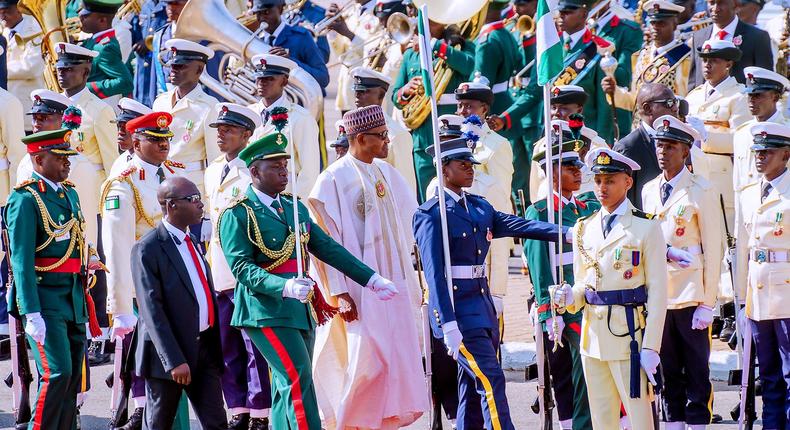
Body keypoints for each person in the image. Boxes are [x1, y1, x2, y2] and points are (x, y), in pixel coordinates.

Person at [218, 132, 399, 430]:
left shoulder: (293, 206)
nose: (283, 173)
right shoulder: (238, 213)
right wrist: (284, 286)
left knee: (284, 385)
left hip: (300, 309)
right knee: (298, 380)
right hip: (265, 310)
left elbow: (326, 247)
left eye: (285, 167)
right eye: (275, 167)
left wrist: (372, 279)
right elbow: (242, 269)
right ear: (254, 171)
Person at [413, 135, 566, 430]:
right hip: (457, 313)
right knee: (491, 378)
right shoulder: (432, 215)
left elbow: (520, 225)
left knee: (472, 388)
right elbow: (434, 274)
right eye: (463, 164)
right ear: (444, 169)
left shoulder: (480, 207)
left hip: (481, 306)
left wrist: (566, 233)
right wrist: (447, 324)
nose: (471, 170)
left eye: (472, 163)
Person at [309, 105, 427, 428]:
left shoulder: (387, 173)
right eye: (382, 136)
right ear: (360, 138)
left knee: (395, 361)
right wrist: (339, 290)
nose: (387, 142)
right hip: (358, 291)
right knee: (364, 365)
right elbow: (323, 244)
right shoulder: (331, 180)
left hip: (395, 285)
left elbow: (414, 220)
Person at [551, 147, 668, 430]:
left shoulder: (645, 227)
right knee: (602, 420)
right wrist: (569, 296)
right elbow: (583, 284)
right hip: (593, 338)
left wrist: (651, 346)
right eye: (598, 181)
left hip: (630, 336)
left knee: (639, 418)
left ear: (628, 182)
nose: (602, 187)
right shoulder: (584, 227)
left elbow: (658, 292)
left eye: (610, 180)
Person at [100, 111, 186, 429]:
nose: (163, 145)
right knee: (148, 362)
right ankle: (139, 410)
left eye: (166, 139)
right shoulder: (123, 185)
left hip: (174, 287)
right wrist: (121, 307)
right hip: (142, 288)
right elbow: (118, 249)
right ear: (136, 142)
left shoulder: (173, 174)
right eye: (155, 139)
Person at [641, 115, 722, 430]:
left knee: (697, 373)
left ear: (686, 151)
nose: (663, 152)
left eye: (671, 146)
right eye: (660, 145)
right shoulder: (648, 190)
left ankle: (698, 424)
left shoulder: (700, 189)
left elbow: (713, 249)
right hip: (661, 295)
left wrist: (708, 301)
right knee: (668, 372)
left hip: (691, 295)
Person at [6, 128, 90, 429]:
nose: (68, 164)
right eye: (60, 158)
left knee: (71, 381)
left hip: (72, 298)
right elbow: (22, 260)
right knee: (57, 373)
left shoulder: (70, 193)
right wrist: (30, 311)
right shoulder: (25, 200)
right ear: (39, 159)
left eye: (68, 157)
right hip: (44, 300)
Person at [131, 176, 227, 429]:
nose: (200, 205)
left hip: (203, 347)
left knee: (217, 423)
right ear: (172, 205)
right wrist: (174, 360)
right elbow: (152, 311)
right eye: (193, 199)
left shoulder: (191, 241)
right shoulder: (147, 248)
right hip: (169, 356)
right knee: (159, 424)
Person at [203, 103, 271, 430]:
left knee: (253, 346)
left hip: (247, 271)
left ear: (247, 134)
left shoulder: (255, 170)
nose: (221, 135)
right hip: (219, 270)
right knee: (228, 346)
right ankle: (238, 407)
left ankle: (260, 412)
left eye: (228, 129)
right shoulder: (214, 168)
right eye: (219, 129)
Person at [524, 134, 598, 430]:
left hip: (591, 301)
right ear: (552, 171)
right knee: (574, 374)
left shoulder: (588, 206)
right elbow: (539, 267)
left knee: (589, 371)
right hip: (564, 308)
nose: (579, 171)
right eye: (570, 167)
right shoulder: (540, 212)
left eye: (579, 165)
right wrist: (547, 312)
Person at [734, 123, 790, 430]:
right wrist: (742, 301)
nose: (760, 157)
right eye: (757, 152)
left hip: (787, 294)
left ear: (786, 155)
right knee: (768, 375)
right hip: (757, 295)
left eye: (768, 152)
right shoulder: (747, 194)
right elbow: (743, 248)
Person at [391, 19, 475, 202]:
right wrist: (405, 91)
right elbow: (395, 98)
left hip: (453, 137)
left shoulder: (460, 46)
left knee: (457, 197)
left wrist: (433, 46)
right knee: (428, 199)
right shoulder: (410, 55)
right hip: (423, 139)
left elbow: (469, 65)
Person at [53, 42, 117, 247]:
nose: (62, 74)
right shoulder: (53, 105)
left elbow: (111, 162)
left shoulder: (100, 110)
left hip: (90, 194)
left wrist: (110, 202)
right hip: (58, 191)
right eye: (60, 69)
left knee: (93, 252)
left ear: (86, 72)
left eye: (69, 69)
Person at [685, 40, 749, 229]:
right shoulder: (694, 95)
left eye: (714, 60)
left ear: (728, 64)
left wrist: (707, 136)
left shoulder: (739, 97)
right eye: (704, 60)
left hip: (721, 177)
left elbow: (742, 140)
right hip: (692, 173)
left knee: (722, 233)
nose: (707, 65)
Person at [151, 38, 219, 210]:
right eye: (172, 65)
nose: (173, 70)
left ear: (199, 70)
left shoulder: (209, 106)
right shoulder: (161, 102)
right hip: (161, 183)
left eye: (180, 66)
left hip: (192, 187)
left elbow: (215, 162)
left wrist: (208, 212)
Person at [248, 54, 320, 197]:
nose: (262, 83)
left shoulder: (301, 118)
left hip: (284, 197)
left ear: (284, 81)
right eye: (259, 78)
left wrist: (299, 209)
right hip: (251, 195)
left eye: (269, 79)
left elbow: (310, 172)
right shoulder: (248, 114)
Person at [602, 0, 693, 113]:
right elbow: (633, 102)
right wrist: (614, 90)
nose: (655, 27)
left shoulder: (686, 57)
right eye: (653, 23)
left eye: (661, 23)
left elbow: (687, 101)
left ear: (674, 25)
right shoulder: (640, 55)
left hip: (668, 125)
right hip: (640, 127)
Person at [732, 67, 790, 217]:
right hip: (747, 210)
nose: (752, 100)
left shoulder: (786, 131)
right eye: (749, 95)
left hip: (780, 209)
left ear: (775, 97)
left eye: (758, 95)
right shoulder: (741, 133)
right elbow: (738, 185)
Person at [351, 66, 416, 193]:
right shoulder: (349, 128)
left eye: (364, 91)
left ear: (380, 95)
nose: (357, 94)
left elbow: (405, 186)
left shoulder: (397, 135)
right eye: (356, 90)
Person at [587, 0, 643, 135]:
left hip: (611, 119)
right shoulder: (581, 30)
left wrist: (599, 51)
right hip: (586, 114)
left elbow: (624, 76)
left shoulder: (628, 30)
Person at [688, 0, 773, 88]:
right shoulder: (699, 36)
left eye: (721, 3)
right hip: (703, 100)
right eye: (712, 3)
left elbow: (764, 81)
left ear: (736, 6)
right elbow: (693, 81)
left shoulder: (757, 37)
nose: (715, 9)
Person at [251, 0, 329, 92]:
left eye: (266, 12)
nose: (261, 18)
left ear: (280, 9)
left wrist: (291, 63)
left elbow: (323, 78)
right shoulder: (255, 40)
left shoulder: (301, 37)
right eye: (258, 14)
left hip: (297, 103)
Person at [326, 0, 381, 114]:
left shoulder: (379, 12)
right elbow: (342, 53)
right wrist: (333, 31)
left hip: (366, 90)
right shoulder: (351, 11)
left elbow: (376, 53)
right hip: (346, 86)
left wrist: (348, 33)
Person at [78, 0, 134, 104]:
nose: (80, 18)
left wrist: (83, 87)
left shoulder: (105, 47)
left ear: (102, 21)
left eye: (85, 16)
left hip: (101, 105)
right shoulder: (94, 40)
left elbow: (125, 82)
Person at [0, 0, 44, 133]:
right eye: (0, 13)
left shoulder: (34, 28)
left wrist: (2, 69)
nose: (3, 16)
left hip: (25, 104)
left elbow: (32, 67)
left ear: (19, 9)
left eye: (7, 11)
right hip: (6, 104)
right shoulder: (3, 31)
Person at [131, 0, 167, 107]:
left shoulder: (170, 4)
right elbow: (134, 37)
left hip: (159, 67)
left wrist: (151, 42)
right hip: (142, 69)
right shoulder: (145, 5)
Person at [108, 97, 154, 177]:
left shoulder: (155, 162)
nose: (120, 132)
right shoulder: (119, 161)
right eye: (119, 126)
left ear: (143, 131)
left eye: (127, 127)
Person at [149, 0, 186, 94]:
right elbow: (156, 74)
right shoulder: (160, 35)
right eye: (168, 4)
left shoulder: (199, 35)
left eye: (176, 4)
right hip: (165, 95)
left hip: (192, 99)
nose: (171, 8)